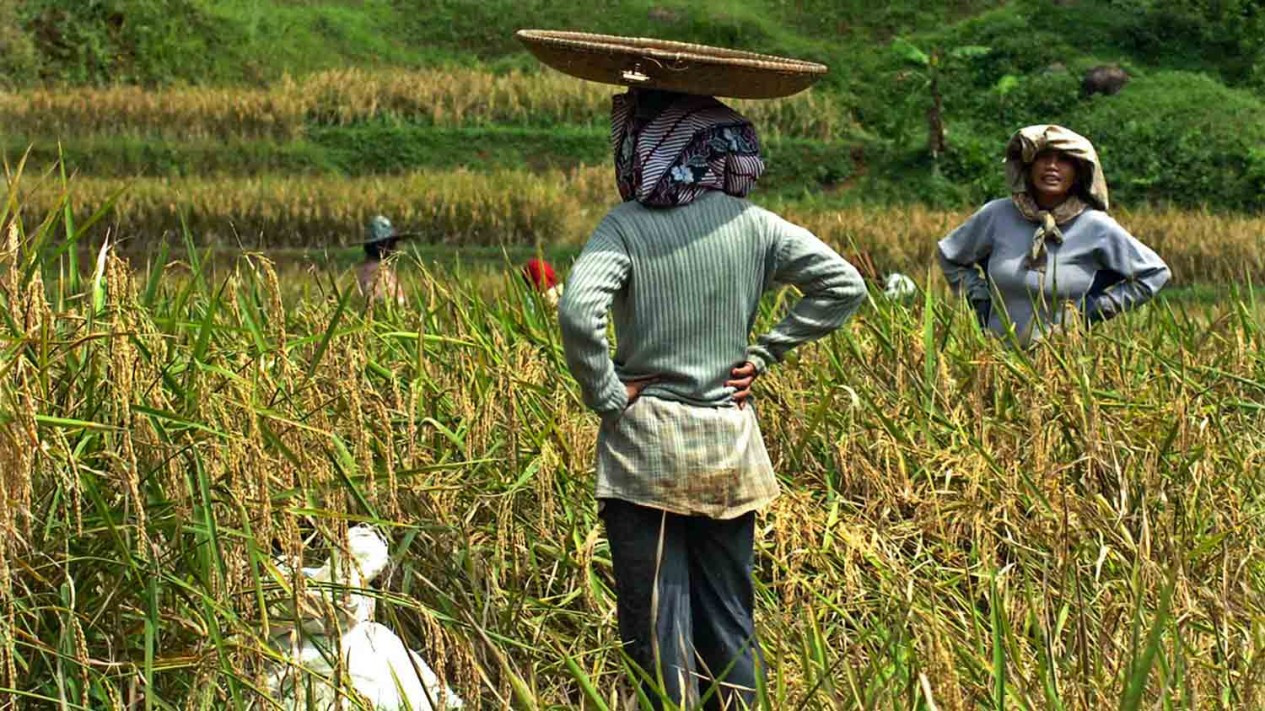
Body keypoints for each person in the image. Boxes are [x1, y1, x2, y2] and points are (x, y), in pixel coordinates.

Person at [556, 85, 866, 708]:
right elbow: (844, 286)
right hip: (727, 443)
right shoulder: (756, 225)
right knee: (730, 621)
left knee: (652, 624)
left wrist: (609, 395)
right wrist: (765, 354)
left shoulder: (627, 226)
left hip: (645, 446)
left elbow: (578, 311)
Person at [938, 124, 1170, 347]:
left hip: (1062, 368)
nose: (1052, 166)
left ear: (1079, 173)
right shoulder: (998, 214)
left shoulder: (1095, 226)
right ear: (1028, 166)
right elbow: (950, 255)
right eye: (1043, 157)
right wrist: (979, 300)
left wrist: (1096, 309)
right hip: (995, 359)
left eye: (1064, 160)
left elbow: (1154, 273)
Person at [356, 215, 407, 307]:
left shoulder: (362, 270)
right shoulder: (377, 273)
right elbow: (396, 303)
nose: (395, 248)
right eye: (392, 244)